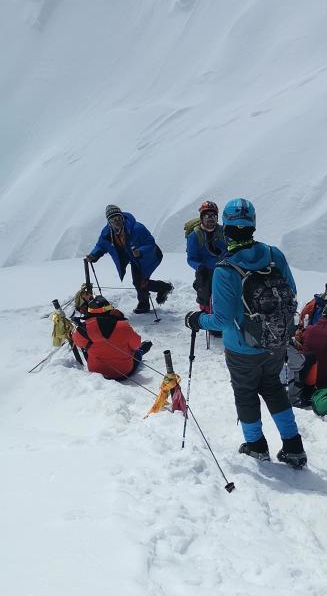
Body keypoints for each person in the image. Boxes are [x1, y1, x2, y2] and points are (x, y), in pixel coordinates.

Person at [185, 197, 306, 468]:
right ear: (252, 225)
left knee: (246, 393)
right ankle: (294, 446)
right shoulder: (274, 255)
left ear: (226, 228)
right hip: (275, 340)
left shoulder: (226, 270)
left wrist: (197, 320)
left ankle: (256, 446)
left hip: (242, 347)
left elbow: (222, 319)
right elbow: (292, 292)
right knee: (273, 387)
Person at [86, 205, 172, 315]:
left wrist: (140, 251)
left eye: (118, 218)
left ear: (122, 217)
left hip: (149, 256)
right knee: (139, 281)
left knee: (140, 281)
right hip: (134, 258)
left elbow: (150, 243)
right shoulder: (107, 233)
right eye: (113, 220)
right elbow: (101, 246)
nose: (116, 222)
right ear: (109, 222)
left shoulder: (137, 228)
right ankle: (163, 288)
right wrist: (94, 255)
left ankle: (146, 303)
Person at [72, 296, 152, 379]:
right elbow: (136, 345)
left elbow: (78, 343)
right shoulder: (122, 326)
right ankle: (142, 351)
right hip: (124, 372)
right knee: (138, 351)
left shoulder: (81, 330)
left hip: (97, 375)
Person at [186, 201, 226, 311]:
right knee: (205, 295)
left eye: (213, 216)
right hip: (205, 271)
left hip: (223, 269)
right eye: (207, 216)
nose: (211, 219)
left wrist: (222, 253)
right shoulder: (194, 236)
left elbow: (230, 249)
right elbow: (191, 258)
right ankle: (206, 315)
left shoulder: (223, 232)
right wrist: (199, 267)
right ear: (202, 217)